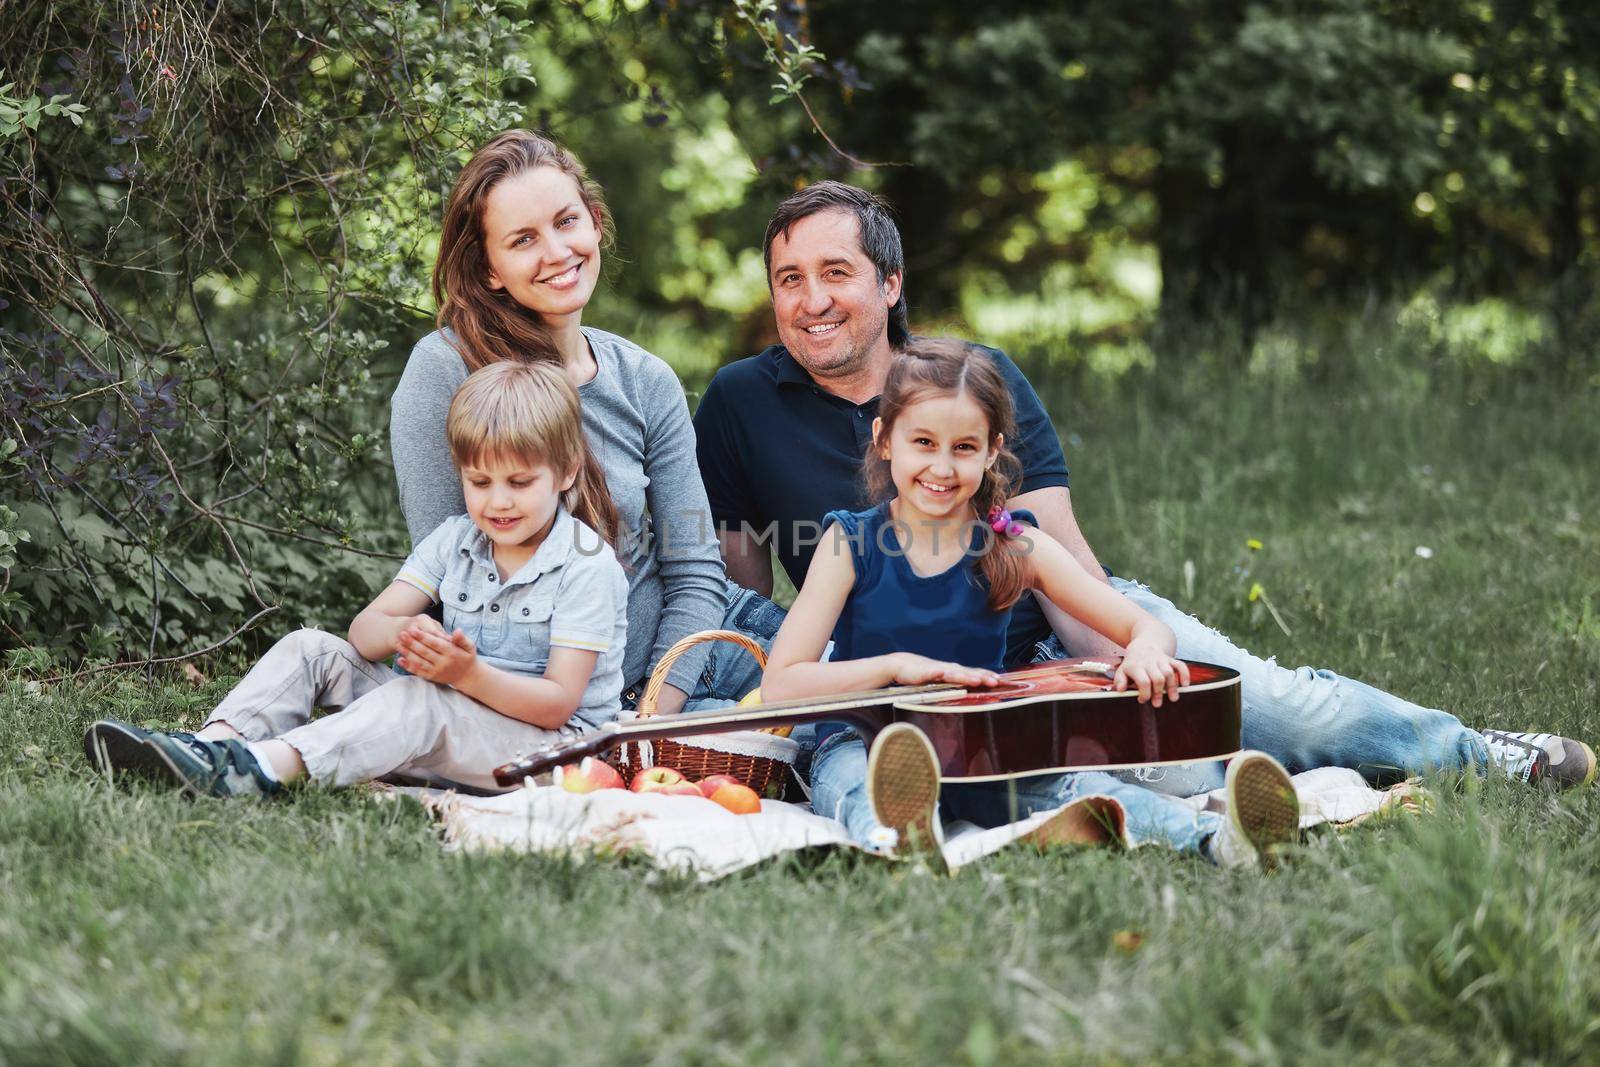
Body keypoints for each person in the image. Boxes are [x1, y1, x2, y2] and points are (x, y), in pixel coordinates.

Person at [694, 180, 1595, 795]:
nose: (810, 299)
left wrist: (1114, 671)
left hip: (1046, 641)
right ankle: (1282, 793)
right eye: (788, 279)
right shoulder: (740, 401)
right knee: (1172, 780)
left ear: (890, 284)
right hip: (901, 691)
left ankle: (1475, 752)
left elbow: (1055, 556)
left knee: (1270, 705)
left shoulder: (974, 381)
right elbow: (743, 597)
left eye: (835, 273)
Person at [760, 338, 1300, 867]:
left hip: (978, 748)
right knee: (857, 790)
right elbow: (783, 683)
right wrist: (898, 669)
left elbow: (1142, 627)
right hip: (865, 742)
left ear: (992, 449)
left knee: (1089, 790)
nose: (942, 468)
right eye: (922, 443)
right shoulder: (849, 544)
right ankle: (902, 838)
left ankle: (1220, 841)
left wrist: (1146, 653)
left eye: (964, 448)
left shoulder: (1016, 545)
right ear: (884, 439)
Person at [82, 362, 629, 798]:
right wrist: (405, 631)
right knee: (312, 648)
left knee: (421, 701)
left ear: (567, 472)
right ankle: (209, 751)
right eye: (479, 481)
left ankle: (264, 770)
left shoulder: (586, 565)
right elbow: (362, 634)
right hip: (454, 721)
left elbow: (559, 703)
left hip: (547, 754)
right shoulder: (456, 539)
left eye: (519, 481)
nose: (498, 500)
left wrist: (466, 675)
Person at [390, 129, 777, 719]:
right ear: (490, 268)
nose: (555, 252)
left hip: (691, 646)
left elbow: (695, 569)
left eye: (566, 222)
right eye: (523, 239)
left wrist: (656, 710)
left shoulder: (645, 380)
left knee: (868, 686)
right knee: (817, 735)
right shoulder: (446, 370)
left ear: (595, 223)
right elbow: (453, 574)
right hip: (562, 695)